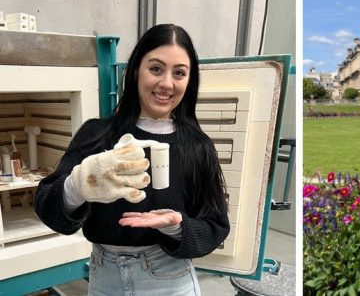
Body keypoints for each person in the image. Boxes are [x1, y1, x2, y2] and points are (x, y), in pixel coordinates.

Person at [35, 24, 229, 295]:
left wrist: (177, 226)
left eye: (179, 73)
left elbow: (215, 226)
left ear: (190, 80)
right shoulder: (97, 134)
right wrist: (77, 185)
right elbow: (47, 206)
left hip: (170, 280)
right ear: (137, 70)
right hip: (104, 278)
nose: (166, 83)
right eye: (156, 68)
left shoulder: (197, 146)